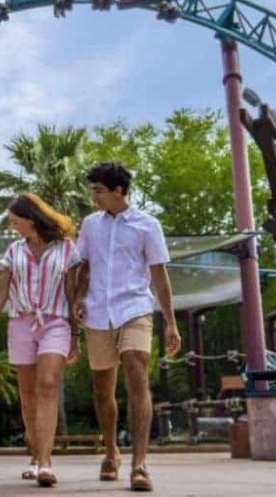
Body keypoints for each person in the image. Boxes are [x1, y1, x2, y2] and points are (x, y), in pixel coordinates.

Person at [75, 162, 181, 492]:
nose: (93, 197)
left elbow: (160, 277)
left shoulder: (148, 226)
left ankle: (140, 464)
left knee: (137, 374)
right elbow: (83, 265)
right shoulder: (90, 225)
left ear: (118, 191)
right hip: (96, 313)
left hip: (135, 307)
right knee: (102, 389)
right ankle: (111, 452)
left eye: (98, 191)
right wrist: (78, 297)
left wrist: (171, 323)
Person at [0, 194, 81, 488]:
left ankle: (47, 463)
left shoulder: (67, 249)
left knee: (47, 384)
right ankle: (36, 457)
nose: (13, 226)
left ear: (31, 219)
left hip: (55, 321)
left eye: (15, 221)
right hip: (21, 323)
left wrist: (76, 334)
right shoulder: (14, 251)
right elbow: (0, 294)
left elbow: (72, 294)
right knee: (28, 395)